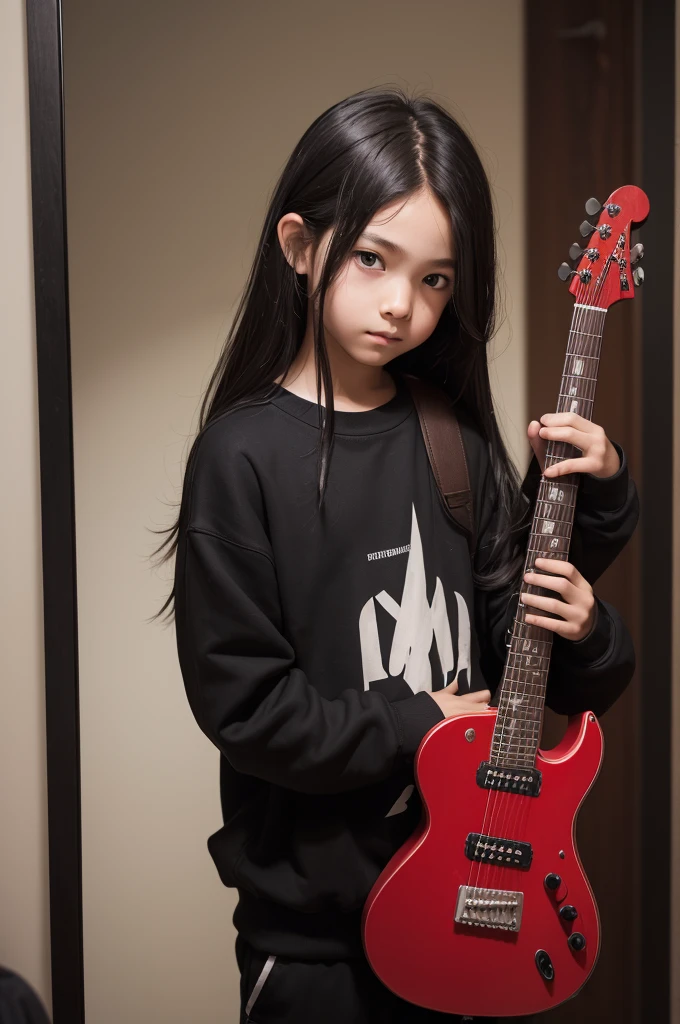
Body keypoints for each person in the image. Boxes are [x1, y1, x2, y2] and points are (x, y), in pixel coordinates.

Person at [149, 86, 639, 1023]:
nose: (402, 305)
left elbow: (517, 663)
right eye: (374, 259)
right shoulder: (242, 459)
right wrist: (422, 724)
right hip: (316, 951)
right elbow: (248, 709)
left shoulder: (447, 433)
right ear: (299, 246)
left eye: (436, 280)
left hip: (479, 903)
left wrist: (586, 619)